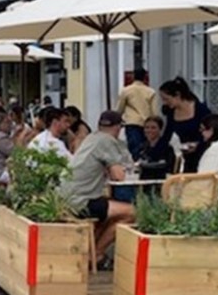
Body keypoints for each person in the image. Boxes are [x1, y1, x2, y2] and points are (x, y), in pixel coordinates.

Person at [59, 110, 136, 269]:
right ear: (118, 128)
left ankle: (90, 253)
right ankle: (98, 255)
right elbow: (119, 176)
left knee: (108, 214)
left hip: (66, 197)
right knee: (133, 212)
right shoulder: (107, 141)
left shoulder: (92, 138)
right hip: (81, 201)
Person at [157, 77, 212, 172]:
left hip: (205, 154)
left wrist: (198, 146)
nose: (164, 103)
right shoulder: (172, 113)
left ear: (177, 95)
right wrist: (152, 155)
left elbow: (212, 133)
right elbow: (166, 137)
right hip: (188, 157)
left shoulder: (201, 110)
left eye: (166, 99)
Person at [116, 68, 157, 160]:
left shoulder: (126, 91)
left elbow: (120, 109)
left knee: (134, 147)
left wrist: (118, 120)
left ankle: (137, 163)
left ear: (133, 76)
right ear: (145, 77)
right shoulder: (151, 92)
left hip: (132, 122)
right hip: (146, 123)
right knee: (146, 146)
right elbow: (154, 111)